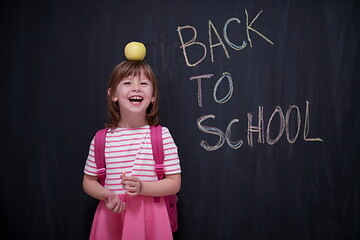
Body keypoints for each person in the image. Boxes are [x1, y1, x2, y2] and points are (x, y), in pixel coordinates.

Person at [83, 60, 181, 240]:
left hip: (151, 219)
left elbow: (174, 183)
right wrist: (107, 195)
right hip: (111, 216)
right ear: (112, 94)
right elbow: (89, 181)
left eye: (143, 83)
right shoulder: (101, 139)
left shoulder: (162, 136)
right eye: (127, 83)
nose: (136, 88)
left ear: (153, 97)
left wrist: (143, 187)